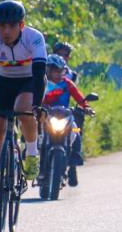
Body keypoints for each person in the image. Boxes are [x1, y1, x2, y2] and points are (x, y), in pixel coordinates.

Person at [0, 0, 47, 221]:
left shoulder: (35, 38)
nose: (5, 31)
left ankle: (32, 152)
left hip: (29, 81)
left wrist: (38, 104)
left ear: (21, 25)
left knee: (23, 109)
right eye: (1, 25)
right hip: (2, 83)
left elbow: (39, 73)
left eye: (11, 26)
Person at [42, 54, 94, 186]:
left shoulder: (67, 83)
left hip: (66, 117)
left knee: (77, 132)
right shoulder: (42, 83)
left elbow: (79, 97)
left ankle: (74, 161)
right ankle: (41, 169)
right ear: (48, 70)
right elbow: (35, 97)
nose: (59, 74)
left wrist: (86, 107)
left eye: (61, 70)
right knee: (41, 138)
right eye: (56, 70)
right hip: (47, 117)